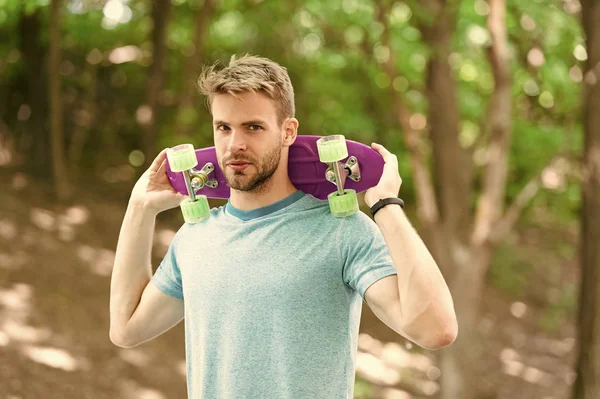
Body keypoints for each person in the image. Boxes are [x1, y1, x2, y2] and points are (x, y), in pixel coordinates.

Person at [109, 55, 457, 399]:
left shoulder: (341, 232)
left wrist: (385, 206)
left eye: (253, 127)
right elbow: (126, 328)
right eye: (223, 128)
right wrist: (140, 209)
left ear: (288, 131)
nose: (235, 145)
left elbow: (435, 329)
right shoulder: (195, 238)